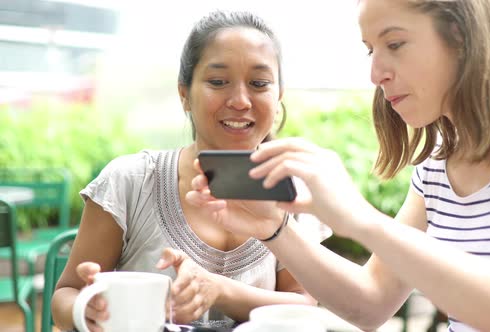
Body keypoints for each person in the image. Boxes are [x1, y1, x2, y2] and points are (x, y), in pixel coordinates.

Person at [187, 0, 490, 331]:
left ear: (461, 36)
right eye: (370, 49)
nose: (376, 73)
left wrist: (361, 219)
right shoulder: (437, 168)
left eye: (394, 44)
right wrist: (275, 230)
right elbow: (370, 304)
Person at [51, 10, 330, 331]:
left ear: (278, 95)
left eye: (258, 83)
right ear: (185, 93)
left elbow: (303, 304)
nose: (240, 100)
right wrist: (87, 310)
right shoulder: (131, 181)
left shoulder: (293, 193)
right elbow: (66, 294)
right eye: (217, 82)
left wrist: (218, 290)